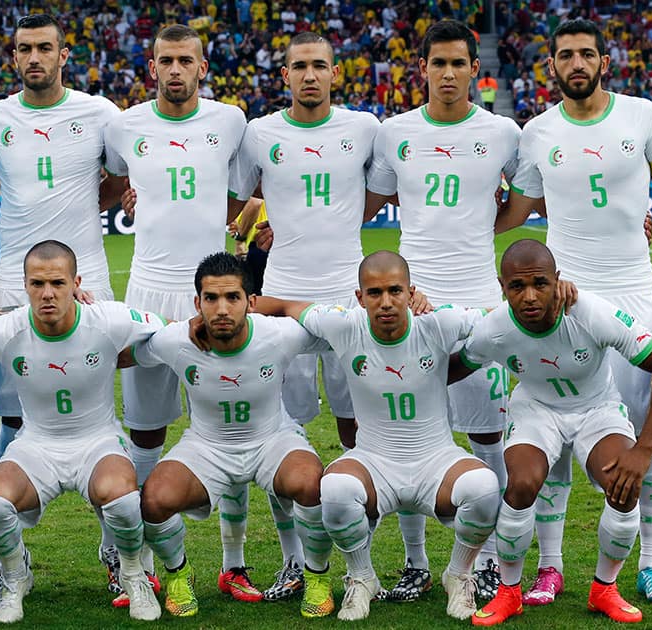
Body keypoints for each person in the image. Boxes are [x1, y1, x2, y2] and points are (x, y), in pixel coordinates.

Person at [497, 18, 652, 606]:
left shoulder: (643, 116)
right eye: (566, 55)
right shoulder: (536, 132)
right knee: (554, 431)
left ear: (604, 63)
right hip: (564, 302)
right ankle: (551, 568)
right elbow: (518, 210)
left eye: (587, 54)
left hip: (635, 296)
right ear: (552, 67)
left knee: (647, 437)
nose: (577, 63)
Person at [253, 250, 501, 621]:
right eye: (374, 293)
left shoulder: (438, 322)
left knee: (484, 487)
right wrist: (236, 309)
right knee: (334, 490)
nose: (385, 302)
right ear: (359, 297)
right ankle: (362, 577)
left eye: (395, 291)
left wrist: (559, 296)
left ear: (411, 292)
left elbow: (501, 317)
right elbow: (287, 305)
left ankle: (459, 575)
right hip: (374, 460)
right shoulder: (343, 324)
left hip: (436, 459)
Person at [103, 24, 261, 603]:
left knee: (231, 426)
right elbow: (112, 182)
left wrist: (245, 234)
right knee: (146, 431)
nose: (175, 70)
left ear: (202, 67)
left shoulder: (230, 120)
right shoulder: (124, 126)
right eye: (165, 60)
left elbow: (249, 192)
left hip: (213, 294)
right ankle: (138, 563)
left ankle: (233, 563)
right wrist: (128, 198)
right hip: (148, 296)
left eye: (185, 61)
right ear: (152, 67)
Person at [364, 19, 521, 601]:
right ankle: (414, 560)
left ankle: (482, 561)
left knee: (488, 436)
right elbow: (369, 200)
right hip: (411, 307)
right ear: (422, 69)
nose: (449, 74)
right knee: (409, 435)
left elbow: (527, 198)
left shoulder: (503, 132)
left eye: (459, 63)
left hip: (480, 305)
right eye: (438, 64)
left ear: (475, 70)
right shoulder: (394, 133)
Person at [0, 13, 127, 598]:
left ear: (65, 54)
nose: (33, 57)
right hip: (15, 288)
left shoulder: (99, 114)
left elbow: (116, 180)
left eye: (44, 48)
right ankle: (13, 549)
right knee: (14, 415)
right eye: (23, 49)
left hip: (84, 282)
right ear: (12, 58)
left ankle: (115, 547)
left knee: (95, 410)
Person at [458, 240, 652, 625]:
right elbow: (454, 367)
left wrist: (643, 449)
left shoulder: (591, 313)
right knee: (522, 484)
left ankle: (604, 589)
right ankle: (509, 593)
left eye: (540, 283)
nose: (529, 296)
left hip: (596, 409)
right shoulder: (493, 329)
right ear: (502, 286)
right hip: (536, 411)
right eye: (517, 286)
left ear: (557, 281)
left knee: (623, 483)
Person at [227, 31, 380, 598]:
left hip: (347, 298)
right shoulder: (260, 133)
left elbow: (383, 192)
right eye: (299, 67)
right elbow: (240, 200)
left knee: (356, 428)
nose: (310, 75)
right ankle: (294, 559)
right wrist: (245, 235)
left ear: (336, 73)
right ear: (284, 74)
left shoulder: (365, 129)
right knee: (278, 431)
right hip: (281, 299)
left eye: (320, 65)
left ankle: (357, 555)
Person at [0, 240, 164, 622]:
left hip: (98, 441)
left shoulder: (108, 320)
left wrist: (125, 357)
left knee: (122, 499)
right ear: (24, 286)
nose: (47, 294)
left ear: (76, 283)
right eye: (37, 284)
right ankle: (16, 575)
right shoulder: (7, 330)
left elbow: (163, 333)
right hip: (36, 445)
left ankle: (133, 573)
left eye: (57, 283)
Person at [129, 252, 335, 618]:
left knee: (311, 484)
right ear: (198, 304)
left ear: (251, 303)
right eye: (211, 299)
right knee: (155, 499)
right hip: (207, 447)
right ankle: (179, 575)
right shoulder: (176, 340)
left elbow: (345, 328)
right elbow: (121, 349)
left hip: (272, 440)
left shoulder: (279, 334)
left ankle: (316, 576)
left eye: (232, 298)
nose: (222, 308)